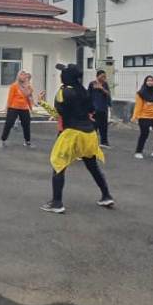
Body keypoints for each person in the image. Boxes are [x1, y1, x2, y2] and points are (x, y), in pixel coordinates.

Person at [40, 64, 114, 214]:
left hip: (72, 133)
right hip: (89, 134)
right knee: (92, 166)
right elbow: (91, 110)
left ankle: (57, 202)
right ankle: (106, 195)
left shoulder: (63, 92)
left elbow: (58, 114)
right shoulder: (84, 91)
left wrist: (41, 103)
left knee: (58, 165)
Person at [0, 70, 35, 148]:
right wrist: (7, 108)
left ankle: (27, 141)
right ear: (18, 76)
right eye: (21, 74)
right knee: (9, 124)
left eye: (24, 74)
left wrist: (31, 109)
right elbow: (10, 98)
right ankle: (3, 140)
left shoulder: (29, 87)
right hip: (13, 108)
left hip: (24, 108)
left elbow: (29, 98)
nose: (23, 76)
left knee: (26, 125)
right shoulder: (14, 86)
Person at [87, 70, 112, 147]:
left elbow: (108, 94)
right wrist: (88, 108)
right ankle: (91, 142)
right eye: (102, 76)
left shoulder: (105, 84)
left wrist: (101, 88)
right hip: (94, 109)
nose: (103, 78)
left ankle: (104, 142)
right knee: (93, 126)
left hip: (103, 108)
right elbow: (88, 96)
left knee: (104, 126)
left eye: (104, 76)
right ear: (97, 76)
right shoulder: (92, 84)